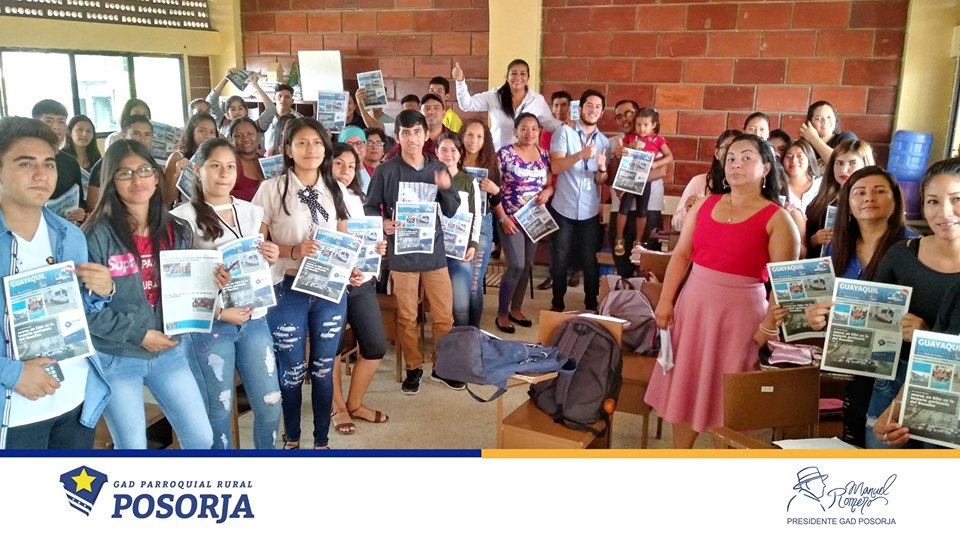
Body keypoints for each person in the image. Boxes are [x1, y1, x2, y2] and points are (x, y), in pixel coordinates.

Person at [646, 133, 800, 448]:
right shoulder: (705, 204)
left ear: (766, 168)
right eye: (731, 158)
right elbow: (681, 255)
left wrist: (767, 329)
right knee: (687, 384)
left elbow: (784, 285)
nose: (736, 164)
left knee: (730, 396)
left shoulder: (779, 219)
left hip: (741, 317)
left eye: (746, 157)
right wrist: (665, 301)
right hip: (693, 309)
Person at [83, 139, 213, 449]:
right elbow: (86, 312)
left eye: (144, 170)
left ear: (156, 176)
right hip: (118, 356)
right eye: (124, 173)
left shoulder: (178, 230)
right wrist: (139, 334)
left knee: (201, 438)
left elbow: (185, 292)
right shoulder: (94, 235)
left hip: (169, 352)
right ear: (111, 181)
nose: (137, 180)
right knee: (132, 448)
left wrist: (211, 284)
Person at [0, 117, 112, 450]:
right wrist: (12, 373)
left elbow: (76, 312)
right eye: (25, 164)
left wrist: (101, 291)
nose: (41, 174)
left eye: (48, 163)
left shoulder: (69, 235)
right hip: (14, 412)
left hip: (73, 399)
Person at [252, 117, 362, 449]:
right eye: (301, 142)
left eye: (316, 143)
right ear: (288, 149)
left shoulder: (335, 189)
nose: (310, 149)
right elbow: (256, 245)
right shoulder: (271, 189)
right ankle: (293, 437)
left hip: (329, 290)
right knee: (292, 370)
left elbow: (344, 238)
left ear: (325, 149)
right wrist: (292, 251)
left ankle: (321, 441)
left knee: (324, 368)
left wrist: (352, 268)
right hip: (287, 290)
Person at [170, 138, 282, 449]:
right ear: (197, 170)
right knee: (218, 411)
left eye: (230, 167)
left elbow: (257, 266)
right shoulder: (182, 218)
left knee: (270, 404)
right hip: (211, 325)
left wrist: (270, 257)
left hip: (254, 319)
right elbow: (177, 286)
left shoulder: (251, 212)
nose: (224, 174)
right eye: (215, 166)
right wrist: (217, 306)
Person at [803, 165, 916, 447]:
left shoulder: (915, 246)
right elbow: (829, 302)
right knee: (854, 437)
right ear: (848, 204)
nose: (869, 198)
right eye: (860, 192)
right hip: (853, 363)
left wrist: (920, 326)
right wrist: (817, 316)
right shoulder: (837, 245)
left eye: (879, 191)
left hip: (897, 367)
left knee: (884, 444)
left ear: (895, 201)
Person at [851, 161, 960, 449]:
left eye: (956, 199)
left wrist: (926, 335)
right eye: (933, 201)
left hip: (949, 396)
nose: (944, 212)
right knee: (882, 473)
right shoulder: (902, 255)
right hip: (894, 380)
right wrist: (827, 314)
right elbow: (871, 317)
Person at [363, 110, 462, 394]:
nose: (412, 138)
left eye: (417, 132)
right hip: (402, 255)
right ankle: (413, 367)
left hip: (434, 253)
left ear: (426, 135)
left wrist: (446, 189)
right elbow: (370, 207)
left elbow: (452, 210)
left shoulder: (438, 168)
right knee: (407, 317)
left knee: (443, 315)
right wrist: (382, 223)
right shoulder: (386, 171)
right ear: (398, 137)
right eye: (406, 133)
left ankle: (442, 367)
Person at [329, 142, 390, 434]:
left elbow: (362, 238)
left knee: (375, 345)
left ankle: (354, 404)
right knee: (332, 348)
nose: (345, 171)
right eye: (339, 164)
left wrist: (376, 247)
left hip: (361, 280)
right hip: (332, 282)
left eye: (352, 166)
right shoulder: (319, 196)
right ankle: (337, 407)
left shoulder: (357, 196)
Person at [549, 90, 609, 313]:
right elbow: (556, 166)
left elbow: (601, 180)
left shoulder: (603, 142)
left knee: (590, 260)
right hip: (563, 207)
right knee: (560, 258)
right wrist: (580, 155)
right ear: (581, 108)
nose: (593, 110)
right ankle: (557, 304)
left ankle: (591, 304)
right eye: (589, 105)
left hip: (589, 210)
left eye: (597, 107)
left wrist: (602, 169)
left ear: (601, 112)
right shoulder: (564, 132)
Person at [494, 113, 552, 333]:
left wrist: (547, 192)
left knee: (527, 264)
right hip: (510, 218)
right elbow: (494, 189)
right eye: (524, 128)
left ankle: (516, 309)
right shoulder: (505, 154)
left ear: (539, 131)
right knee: (516, 264)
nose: (530, 133)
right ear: (515, 131)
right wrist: (502, 217)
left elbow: (549, 184)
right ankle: (502, 313)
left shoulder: (544, 154)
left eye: (534, 129)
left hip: (534, 218)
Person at [453, 59, 558, 149]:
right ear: (507, 76)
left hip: (525, 159)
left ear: (528, 77)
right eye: (513, 73)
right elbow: (467, 105)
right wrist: (460, 81)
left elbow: (550, 124)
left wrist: (565, 125)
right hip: (497, 156)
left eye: (522, 74)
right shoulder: (495, 96)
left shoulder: (537, 100)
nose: (518, 78)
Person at [612, 107, 673, 256]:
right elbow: (620, 151)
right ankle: (619, 238)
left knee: (642, 210)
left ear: (654, 125)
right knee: (624, 208)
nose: (641, 128)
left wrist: (656, 164)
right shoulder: (632, 138)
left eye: (645, 125)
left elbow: (669, 156)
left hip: (645, 182)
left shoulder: (658, 140)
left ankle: (638, 241)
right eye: (638, 125)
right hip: (629, 180)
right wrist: (629, 147)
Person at [460, 119, 502, 327]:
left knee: (474, 285)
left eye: (479, 136)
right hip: (456, 225)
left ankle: (473, 332)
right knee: (458, 281)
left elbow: (496, 202)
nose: (473, 140)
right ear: (462, 136)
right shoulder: (453, 159)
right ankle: (458, 329)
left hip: (482, 226)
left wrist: (495, 191)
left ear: (485, 140)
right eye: (470, 135)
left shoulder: (490, 164)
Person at [437, 132, 482, 327]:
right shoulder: (430, 178)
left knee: (460, 306)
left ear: (460, 153)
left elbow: (476, 215)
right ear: (436, 152)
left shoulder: (468, 181)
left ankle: (464, 340)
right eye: (444, 150)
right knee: (441, 307)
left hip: (460, 250)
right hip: (435, 251)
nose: (449, 154)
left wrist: (473, 243)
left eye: (453, 150)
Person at [805, 139, 875, 253]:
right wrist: (815, 240)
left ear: (865, 165)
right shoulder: (821, 200)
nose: (844, 170)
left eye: (853, 163)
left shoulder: (872, 202)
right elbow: (804, 243)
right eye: (839, 163)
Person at [671, 129, 741, 232]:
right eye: (727, 148)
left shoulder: (749, 187)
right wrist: (689, 210)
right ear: (717, 152)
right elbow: (676, 224)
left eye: (737, 150)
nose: (731, 155)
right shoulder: (699, 182)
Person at [31, 100, 86, 224]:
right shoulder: (25, 160)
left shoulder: (71, 162)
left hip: (64, 228)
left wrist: (79, 212)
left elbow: (80, 201)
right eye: (48, 121)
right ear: (35, 124)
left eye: (61, 121)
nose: (56, 127)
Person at [87, 115, 153, 212]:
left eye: (147, 134)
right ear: (123, 135)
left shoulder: (152, 163)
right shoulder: (106, 163)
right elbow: (93, 203)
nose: (142, 139)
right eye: (136, 133)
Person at [164, 112, 218, 207]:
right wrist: (177, 176)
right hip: (185, 212)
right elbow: (167, 200)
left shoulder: (218, 158)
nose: (208, 136)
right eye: (202, 131)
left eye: (212, 132)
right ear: (191, 133)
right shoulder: (178, 157)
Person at [207, 67, 277, 138]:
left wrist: (256, 86)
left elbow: (271, 109)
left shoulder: (256, 125)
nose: (237, 112)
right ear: (227, 114)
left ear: (246, 111)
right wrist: (226, 79)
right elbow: (210, 101)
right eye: (233, 109)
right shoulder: (222, 123)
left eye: (240, 108)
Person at [384, 93, 450, 160]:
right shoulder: (411, 139)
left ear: (444, 113)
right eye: (427, 108)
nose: (431, 112)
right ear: (420, 113)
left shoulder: (452, 138)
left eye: (436, 108)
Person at [228, 117, 267, 202]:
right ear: (232, 140)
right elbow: (225, 195)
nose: (245, 139)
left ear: (258, 136)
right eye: (238, 136)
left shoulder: (267, 162)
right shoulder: (229, 164)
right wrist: (259, 189)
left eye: (250, 133)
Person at [782, 139, 822, 214]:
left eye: (799, 156)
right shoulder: (778, 187)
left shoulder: (821, 185)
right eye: (789, 156)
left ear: (809, 161)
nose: (793, 160)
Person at [264, 84, 301, 156]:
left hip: (290, 156)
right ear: (274, 98)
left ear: (292, 101)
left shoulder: (298, 119)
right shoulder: (266, 117)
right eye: (279, 96)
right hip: (269, 157)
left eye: (287, 97)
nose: (283, 100)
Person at [337, 126, 370, 193]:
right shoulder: (336, 173)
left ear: (366, 146)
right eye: (349, 144)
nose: (354, 149)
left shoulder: (374, 172)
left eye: (359, 143)